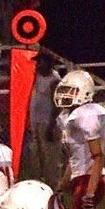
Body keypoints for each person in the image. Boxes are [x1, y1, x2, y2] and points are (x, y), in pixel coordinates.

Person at [54, 69, 105, 209]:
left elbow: (98, 157)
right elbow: (74, 160)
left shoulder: (86, 115)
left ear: (84, 93)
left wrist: (89, 194)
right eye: (64, 91)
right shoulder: (69, 116)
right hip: (82, 179)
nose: (65, 95)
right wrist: (60, 188)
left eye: (70, 91)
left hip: (90, 179)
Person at [26, 53, 60, 185]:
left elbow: (56, 104)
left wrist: (52, 124)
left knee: (49, 157)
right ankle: (38, 182)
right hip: (36, 121)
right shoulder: (37, 77)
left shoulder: (54, 80)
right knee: (36, 154)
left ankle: (53, 185)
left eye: (40, 62)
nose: (37, 65)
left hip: (47, 122)